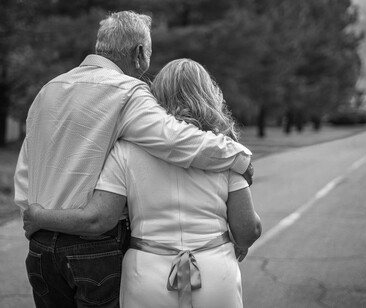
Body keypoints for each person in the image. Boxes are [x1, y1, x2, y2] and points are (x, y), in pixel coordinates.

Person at [14, 11, 254, 308]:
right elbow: (175, 140)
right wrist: (237, 155)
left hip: (40, 248)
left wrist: (33, 215)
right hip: (92, 249)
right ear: (140, 53)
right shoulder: (128, 91)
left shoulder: (48, 90)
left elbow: (26, 167)